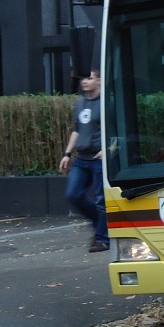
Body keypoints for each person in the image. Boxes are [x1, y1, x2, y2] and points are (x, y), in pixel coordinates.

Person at [59, 69, 109, 252]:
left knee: (101, 200)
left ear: (99, 81)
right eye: (82, 78)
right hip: (81, 159)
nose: (84, 81)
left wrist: (107, 149)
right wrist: (67, 154)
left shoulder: (105, 102)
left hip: (98, 158)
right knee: (73, 195)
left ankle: (102, 239)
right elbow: (77, 130)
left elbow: (114, 127)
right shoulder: (80, 103)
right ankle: (99, 222)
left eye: (89, 78)